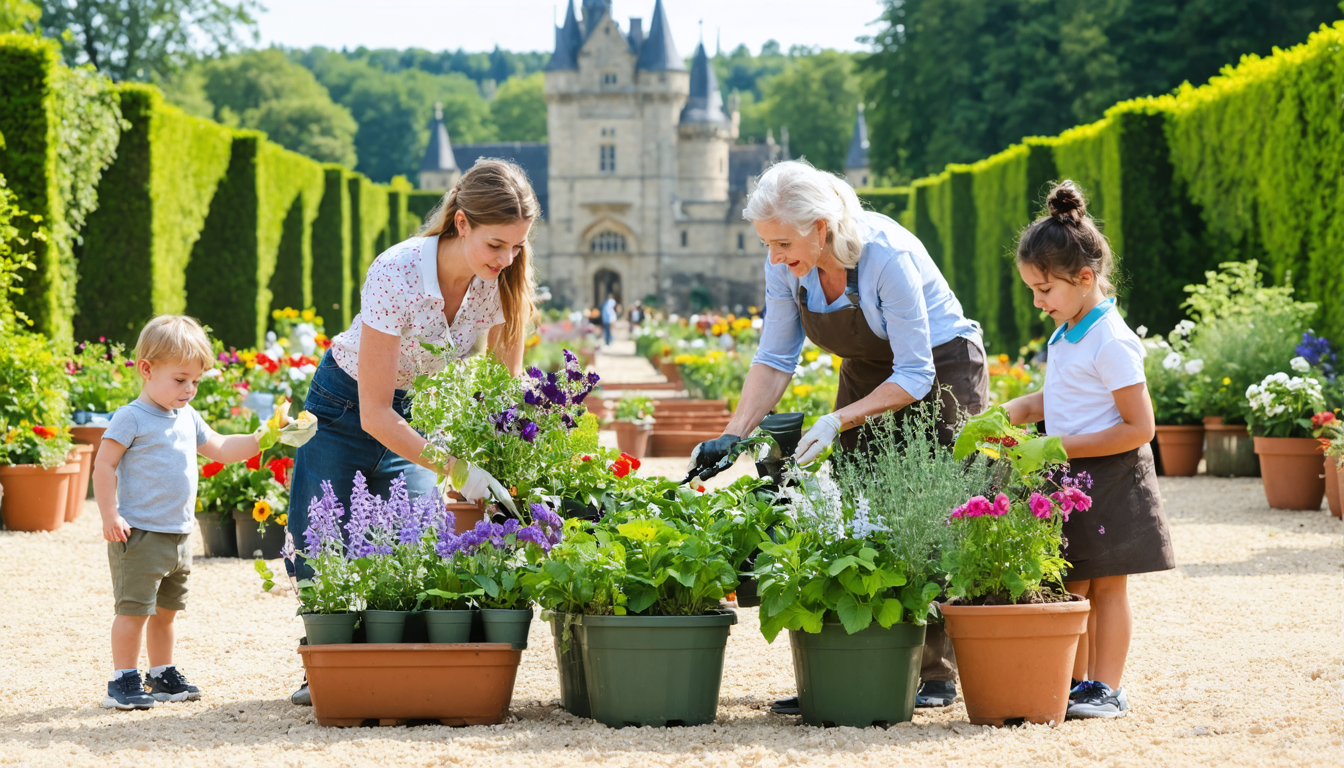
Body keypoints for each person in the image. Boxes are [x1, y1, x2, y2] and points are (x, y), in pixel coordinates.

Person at [687, 160, 988, 711]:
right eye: (768, 245)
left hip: (940, 368)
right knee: (855, 505)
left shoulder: (884, 256)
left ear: (820, 227)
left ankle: (934, 674)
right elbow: (776, 358)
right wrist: (731, 435)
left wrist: (837, 419)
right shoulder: (785, 263)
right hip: (869, 369)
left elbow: (916, 373)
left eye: (781, 243)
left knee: (935, 508)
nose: (774, 257)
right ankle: (855, 667)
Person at [284, 159, 540, 704]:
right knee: (324, 547)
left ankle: (395, 665)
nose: (508, 259)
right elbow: (375, 413)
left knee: (418, 545)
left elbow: (502, 391)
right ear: (462, 222)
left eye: (517, 246)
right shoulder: (396, 272)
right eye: (497, 245)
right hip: (343, 406)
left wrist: (510, 463)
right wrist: (460, 470)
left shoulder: (502, 282)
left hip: (418, 413)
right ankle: (326, 669)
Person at [1000, 181, 1173, 719]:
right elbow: (1061, 396)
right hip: (1071, 475)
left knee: (1109, 586)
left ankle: (1107, 687)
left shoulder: (1111, 339)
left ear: (1084, 278)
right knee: (1072, 580)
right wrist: (1013, 412)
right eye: (1032, 289)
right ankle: (1073, 681)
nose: (1037, 302)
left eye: (1044, 290)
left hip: (1113, 476)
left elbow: (1139, 427)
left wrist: (1054, 446)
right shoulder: (1068, 330)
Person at [93, 316, 312, 710]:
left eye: (196, 381)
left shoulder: (188, 417)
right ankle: (122, 679)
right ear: (146, 369)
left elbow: (224, 449)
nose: (190, 389)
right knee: (133, 611)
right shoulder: (131, 418)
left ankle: (161, 673)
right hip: (138, 533)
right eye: (180, 380)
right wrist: (110, 514)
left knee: (167, 612)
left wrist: (266, 435)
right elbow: (104, 466)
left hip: (179, 535)